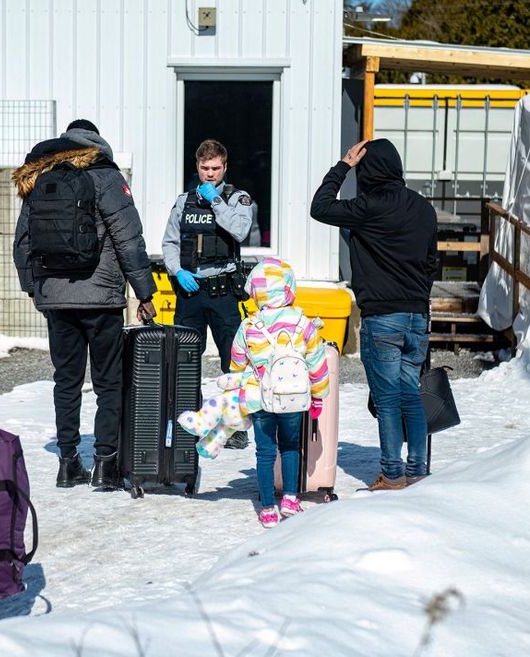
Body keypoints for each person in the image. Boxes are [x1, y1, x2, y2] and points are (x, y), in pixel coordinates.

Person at [13, 119, 156, 490]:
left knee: (67, 380)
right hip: (101, 296)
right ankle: (105, 466)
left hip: (56, 299)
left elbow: (23, 241)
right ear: (97, 142)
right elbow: (129, 239)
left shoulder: (43, 176)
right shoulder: (107, 177)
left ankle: (67, 461)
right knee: (108, 380)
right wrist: (145, 292)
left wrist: (35, 290)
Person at [309, 139, 438, 491]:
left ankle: (392, 473)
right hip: (417, 317)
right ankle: (417, 470)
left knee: (387, 398)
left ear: (367, 170)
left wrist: (343, 166)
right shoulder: (424, 209)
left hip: (383, 317)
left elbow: (320, 208)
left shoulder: (367, 207)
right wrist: (417, 300)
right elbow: (431, 265)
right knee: (410, 392)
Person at [181, 257, 329, 528]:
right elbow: (317, 362)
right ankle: (291, 499)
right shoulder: (303, 323)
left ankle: (268, 507)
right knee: (290, 447)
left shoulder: (250, 325)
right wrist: (318, 395)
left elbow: (236, 362)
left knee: (265, 451)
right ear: (288, 289)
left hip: (260, 398)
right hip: (293, 398)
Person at [162, 139, 255, 449]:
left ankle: (236, 427)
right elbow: (170, 243)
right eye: (205, 168)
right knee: (185, 359)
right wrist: (177, 271)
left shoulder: (237, 199)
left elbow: (239, 232)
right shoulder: (184, 201)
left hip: (223, 290)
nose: (210, 174)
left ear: (224, 167)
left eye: (216, 168)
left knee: (233, 360)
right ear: (197, 167)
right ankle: (193, 420)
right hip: (191, 292)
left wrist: (217, 201)